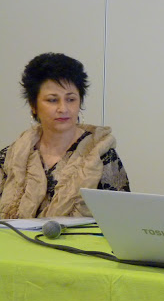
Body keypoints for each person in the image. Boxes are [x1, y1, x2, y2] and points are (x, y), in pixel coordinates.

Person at [0, 53, 130, 219]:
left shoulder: (102, 155)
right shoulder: (9, 157)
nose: (63, 108)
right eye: (53, 100)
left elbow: (123, 219)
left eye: (70, 99)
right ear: (34, 105)